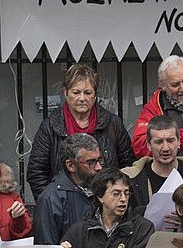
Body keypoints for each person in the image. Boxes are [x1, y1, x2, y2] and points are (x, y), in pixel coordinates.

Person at [27, 63, 133, 199]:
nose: (82, 98)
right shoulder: (50, 127)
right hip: (64, 204)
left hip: (106, 203)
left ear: (95, 95)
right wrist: (51, 204)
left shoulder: (112, 123)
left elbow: (128, 165)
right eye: (76, 92)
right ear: (66, 93)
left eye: (88, 93)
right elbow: (36, 172)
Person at [124, 115, 183, 219]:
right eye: (159, 142)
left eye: (170, 141)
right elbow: (124, 217)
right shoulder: (132, 179)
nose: (165, 148)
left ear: (179, 142)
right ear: (148, 145)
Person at [34, 133, 102, 245]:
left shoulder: (105, 189)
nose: (99, 167)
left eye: (100, 160)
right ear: (71, 165)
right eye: (91, 163)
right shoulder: (50, 199)